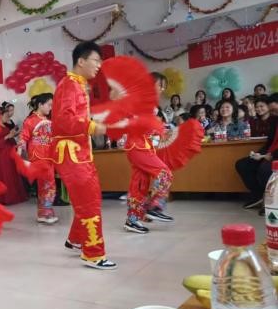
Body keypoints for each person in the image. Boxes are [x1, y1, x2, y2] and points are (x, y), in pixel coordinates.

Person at [53, 41, 117, 270]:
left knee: (89, 198)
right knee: (89, 201)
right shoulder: (69, 84)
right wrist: (91, 126)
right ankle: (93, 253)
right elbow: (63, 120)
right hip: (71, 154)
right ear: (81, 61)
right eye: (96, 60)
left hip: (79, 153)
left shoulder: (78, 85)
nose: (99, 65)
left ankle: (76, 239)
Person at [123, 72, 174, 234]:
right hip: (138, 147)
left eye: (163, 86)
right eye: (160, 85)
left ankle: (132, 220)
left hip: (142, 146)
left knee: (140, 184)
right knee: (164, 173)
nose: (162, 89)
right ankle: (155, 206)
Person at [18, 93, 58, 224]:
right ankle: (45, 212)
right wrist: (19, 152)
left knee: (46, 184)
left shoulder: (48, 120)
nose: (51, 108)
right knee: (48, 183)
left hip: (49, 156)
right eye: (49, 105)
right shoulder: (30, 121)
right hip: (38, 156)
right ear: (40, 105)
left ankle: (44, 212)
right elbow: (23, 138)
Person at [0, 102, 28, 205]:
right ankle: (5, 198)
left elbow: (8, 137)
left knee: (12, 175)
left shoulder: (4, 125)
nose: (8, 116)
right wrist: (8, 136)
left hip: (10, 151)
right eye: (5, 114)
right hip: (2, 154)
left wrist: (13, 134)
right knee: (5, 175)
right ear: (0, 115)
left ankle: (14, 196)